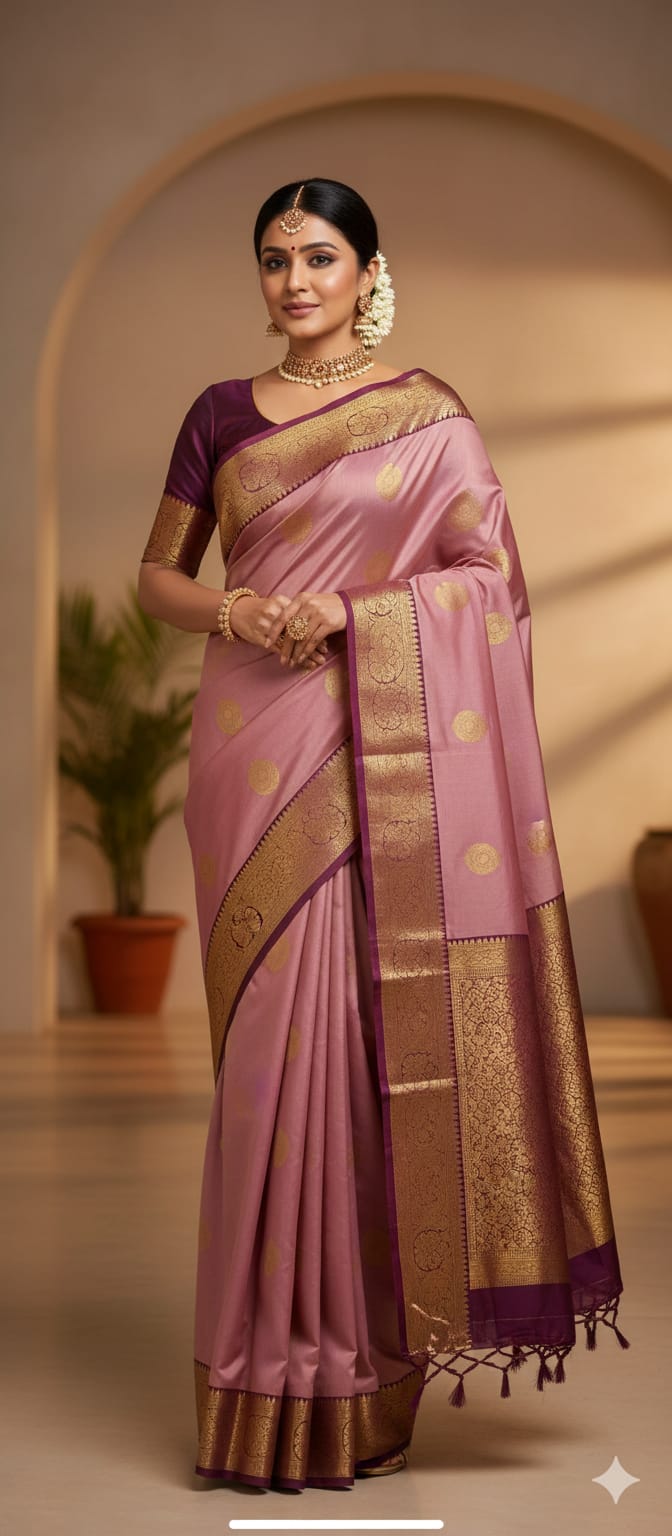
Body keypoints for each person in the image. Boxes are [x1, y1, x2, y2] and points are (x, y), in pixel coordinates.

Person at [137, 177, 629, 1493]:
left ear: (367, 270)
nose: (295, 281)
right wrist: (239, 613)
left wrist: (355, 616)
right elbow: (159, 577)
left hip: (381, 749)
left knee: (367, 1046)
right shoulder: (219, 413)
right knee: (268, 1061)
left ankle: (360, 1375)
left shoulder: (429, 415)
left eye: (319, 256)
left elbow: (488, 583)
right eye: (274, 259)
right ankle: (263, 1377)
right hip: (254, 748)